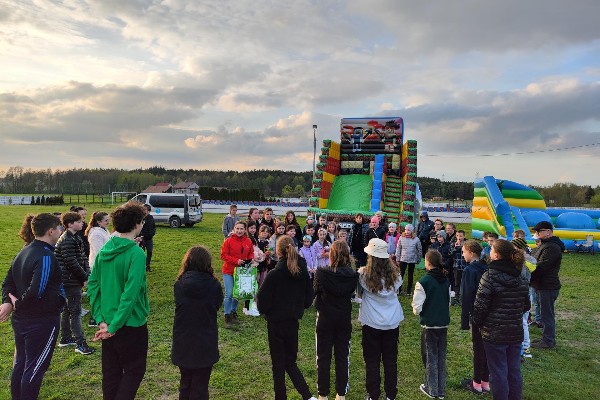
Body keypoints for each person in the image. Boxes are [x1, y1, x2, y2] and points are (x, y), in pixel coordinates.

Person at [88, 202, 150, 400]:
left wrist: (101, 320)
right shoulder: (136, 254)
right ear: (137, 224)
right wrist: (112, 326)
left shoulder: (105, 249)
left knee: (111, 374)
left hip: (107, 324)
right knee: (134, 371)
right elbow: (130, 295)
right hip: (129, 325)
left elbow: (93, 287)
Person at [2, 213, 65, 399]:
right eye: (60, 228)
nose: (61, 232)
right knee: (35, 367)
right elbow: (37, 290)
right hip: (41, 322)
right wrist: (17, 303)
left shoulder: (24, 250)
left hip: (21, 321)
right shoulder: (46, 255)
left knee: (21, 364)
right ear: (51, 231)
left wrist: (9, 301)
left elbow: (7, 283)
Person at [256, 236, 317, 400]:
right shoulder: (302, 272)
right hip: (292, 322)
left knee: (278, 365)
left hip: (276, 324)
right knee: (290, 362)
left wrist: (269, 311)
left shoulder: (275, 274)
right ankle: (308, 396)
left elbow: (262, 301)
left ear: (278, 251)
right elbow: (308, 298)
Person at [471, 239, 530, 400]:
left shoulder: (489, 277)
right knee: (513, 370)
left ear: (496, 255)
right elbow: (526, 305)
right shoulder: (520, 276)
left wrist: (478, 323)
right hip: (514, 331)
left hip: (494, 333)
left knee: (498, 372)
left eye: (491, 249)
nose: (488, 251)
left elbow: (480, 307)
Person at [172, 246, 223, 400]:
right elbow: (217, 304)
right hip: (204, 338)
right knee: (200, 385)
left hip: (184, 338)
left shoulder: (180, 284)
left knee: (186, 383)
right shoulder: (213, 285)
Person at [359, 238, 404, 400]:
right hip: (391, 322)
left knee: (372, 361)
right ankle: (390, 395)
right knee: (390, 361)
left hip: (371, 322)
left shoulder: (363, 275)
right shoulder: (396, 275)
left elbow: (359, 294)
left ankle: (373, 395)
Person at [314, 240, 359, 400]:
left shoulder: (321, 272)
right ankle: (340, 394)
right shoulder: (353, 275)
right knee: (342, 356)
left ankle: (323, 394)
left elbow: (316, 290)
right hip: (342, 319)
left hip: (326, 318)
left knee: (323, 356)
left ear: (332, 254)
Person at [412, 249, 451, 400]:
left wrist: (419, 311)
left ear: (427, 263)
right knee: (441, 355)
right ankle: (440, 389)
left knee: (430, 357)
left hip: (429, 325)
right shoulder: (445, 280)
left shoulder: (424, 282)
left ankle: (432, 389)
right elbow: (447, 302)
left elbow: (417, 307)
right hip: (443, 323)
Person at [55, 211, 95, 355]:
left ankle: (65, 338)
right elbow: (72, 262)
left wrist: (87, 275)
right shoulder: (66, 240)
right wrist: (84, 277)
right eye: (78, 221)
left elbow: (83, 258)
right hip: (69, 281)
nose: (82, 223)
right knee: (76, 312)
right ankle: (80, 344)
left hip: (74, 279)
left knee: (68, 310)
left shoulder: (75, 237)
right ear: (70, 224)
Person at [459, 240, 490, 395]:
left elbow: (466, 296)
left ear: (471, 253)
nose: (462, 254)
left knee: (478, 349)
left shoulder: (470, 270)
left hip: (477, 314)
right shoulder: (487, 267)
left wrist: (465, 321)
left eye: (464, 251)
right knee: (486, 348)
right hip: (489, 314)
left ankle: (476, 383)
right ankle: (486, 381)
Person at [530, 221, 564, 349]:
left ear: (548, 232)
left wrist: (528, 273)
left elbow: (541, 267)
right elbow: (533, 260)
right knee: (544, 314)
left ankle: (548, 341)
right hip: (540, 285)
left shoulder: (552, 247)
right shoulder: (544, 245)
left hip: (547, 286)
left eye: (539, 231)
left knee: (547, 315)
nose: (536, 234)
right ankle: (546, 338)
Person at [220, 220, 254, 328]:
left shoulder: (248, 241)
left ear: (245, 230)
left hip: (241, 272)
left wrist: (250, 259)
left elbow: (251, 253)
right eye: (237, 229)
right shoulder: (228, 241)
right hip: (229, 271)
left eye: (241, 229)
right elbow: (223, 255)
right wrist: (236, 261)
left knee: (237, 294)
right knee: (229, 293)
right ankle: (227, 315)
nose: (239, 231)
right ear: (234, 229)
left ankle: (233, 312)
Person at [395, 223, 422, 296]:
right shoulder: (401, 238)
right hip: (403, 259)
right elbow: (398, 249)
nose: (407, 231)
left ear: (412, 231)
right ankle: (399, 289)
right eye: (406, 230)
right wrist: (397, 259)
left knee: (410, 275)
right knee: (401, 274)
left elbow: (419, 250)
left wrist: (418, 259)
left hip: (412, 259)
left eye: (409, 230)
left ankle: (409, 290)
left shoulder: (416, 239)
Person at [450, 229, 468, 305]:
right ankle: (456, 298)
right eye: (457, 236)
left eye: (460, 236)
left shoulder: (468, 244)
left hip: (466, 266)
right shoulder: (453, 244)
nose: (459, 237)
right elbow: (451, 254)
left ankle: (464, 298)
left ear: (464, 236)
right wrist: (456, 248)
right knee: (457, 282)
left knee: (465, 282)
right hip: (457, 266)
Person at [139, 204, 156, 272]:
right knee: (141, 253)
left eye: (146, 210)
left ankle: (147, 266)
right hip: (142, 238)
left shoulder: (151, 217)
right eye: (143, 210)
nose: (144, 211)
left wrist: (153, 233)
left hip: (149, 239)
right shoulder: (140, 218)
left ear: (148, 211)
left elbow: (153, 226)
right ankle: (141, 266)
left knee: (150, 251)